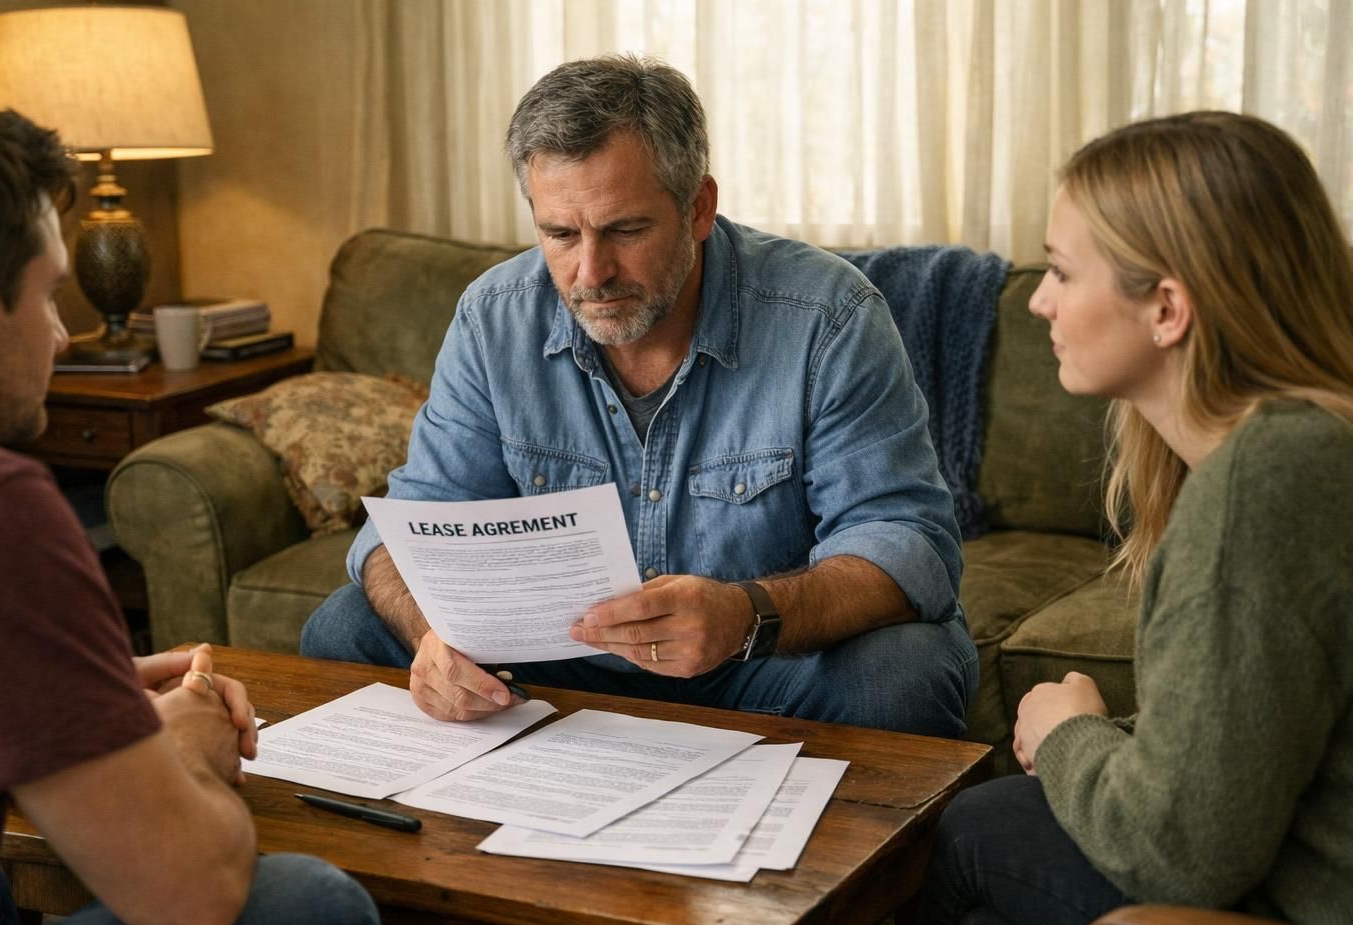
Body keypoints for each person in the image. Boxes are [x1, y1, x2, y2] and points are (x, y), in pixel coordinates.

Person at [0, 90, 389, 925]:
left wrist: (73, 693)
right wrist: (193, 754)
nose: (57, 333)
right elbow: (195, 899)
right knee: (313, 912)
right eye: (48, 295)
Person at [301, 54, 976, 736]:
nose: (590, 273)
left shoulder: (827, 316)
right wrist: (430, 637)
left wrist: (747, 614)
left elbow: (905, 541)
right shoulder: (492, 316)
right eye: (559, 234)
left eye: (625, 230)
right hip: (555, 662)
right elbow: (409, 527)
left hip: (761, 662)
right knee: (345, 626)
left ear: (699, 208)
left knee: (906, 671)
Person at [900, 111, 1353, 925]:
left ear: (1168, 308)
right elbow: (1254, 718)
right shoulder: (1301, 447)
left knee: (973, 831)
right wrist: (1109, 737)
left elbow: (1182, 851)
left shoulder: (1263, 485)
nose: (1038, 302)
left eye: (1062, 273)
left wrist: (1072, 734)